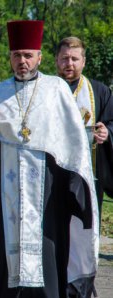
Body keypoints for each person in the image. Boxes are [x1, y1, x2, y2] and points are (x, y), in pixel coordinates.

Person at [0, 20, 98, 297]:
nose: (22, 61)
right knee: (2, 250)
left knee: (48, 245)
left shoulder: (56, 89)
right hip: (7, 191)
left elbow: (72, 141)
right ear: (10, 58)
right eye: (17, 55)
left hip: (48, 190)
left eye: (28, 55)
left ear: (40, 57)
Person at [55, 36, 113, 221]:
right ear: (56, 60)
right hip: (54, 170)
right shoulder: (47, 89)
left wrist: (108, 132)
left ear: (84, 61)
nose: (69, 63)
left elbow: (112, 121)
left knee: (85, 223)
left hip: (90, 170)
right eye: (64, 58)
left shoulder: (99, 91)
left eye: (74, 59)